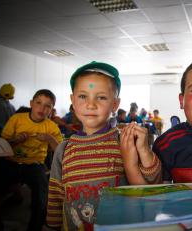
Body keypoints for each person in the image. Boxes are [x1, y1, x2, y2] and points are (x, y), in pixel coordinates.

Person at [45, 61, 156, 230]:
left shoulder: (124, 142)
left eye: (101, 97)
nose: (91, 104)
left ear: (115, 105)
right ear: (73, 101)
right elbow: (55, 195)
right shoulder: (64, 149)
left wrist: (144, 149)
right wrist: (52, 226)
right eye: (83, 96)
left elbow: (153, 183)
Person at [0, 89, 63, 231]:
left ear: (52, 110)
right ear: (31, 103)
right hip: (10, 161)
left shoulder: (51, 126)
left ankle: (34, 227)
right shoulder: (17, 119)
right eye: (38, 103)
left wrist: (49, 138)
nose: (42, 108)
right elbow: (2, 144)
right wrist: (15, 141)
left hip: (35, 165)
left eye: (48, 106)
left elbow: (59, 151)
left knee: (41, 198)